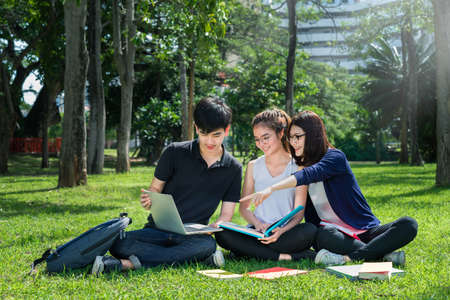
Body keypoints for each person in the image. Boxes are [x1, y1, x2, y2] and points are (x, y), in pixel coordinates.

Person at [241, 110, 418, 266]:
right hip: (332, 235)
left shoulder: (334, 158)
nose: (293, 142)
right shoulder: (299, 164)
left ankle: (349, 259)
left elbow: (311, 174)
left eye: (298, 137)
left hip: (364, 230)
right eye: (291, 137)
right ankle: (381, 255)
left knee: (408, 224)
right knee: (322, 235)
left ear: (313, 135)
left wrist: (271, 189)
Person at [91, 97, 242, 275]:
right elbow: (155, 189)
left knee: (207, 245)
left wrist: (216, 226)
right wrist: (149, 199)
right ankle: (196, 259)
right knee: (119, 243)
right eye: (203, 133)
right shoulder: (175, 152)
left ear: (226, 130)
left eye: (216, 135)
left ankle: (129, 264)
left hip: (193, 237)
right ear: (195, 128)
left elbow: (226, 215)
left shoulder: (234, 168)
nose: (209, 141)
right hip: (157, 231)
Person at [215, 109, 317, 262]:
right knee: (222, 232)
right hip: (258, 231)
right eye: (257, 139)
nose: (261, 144)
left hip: (285, 232)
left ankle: (248, 251)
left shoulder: (298, 166)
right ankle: (285, 256)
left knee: (310, 230)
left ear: (281, 133)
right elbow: (244, 208)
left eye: (266, 137)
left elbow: (299, 213)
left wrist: (281, 231)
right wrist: (258, 224)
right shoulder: (253, 165)